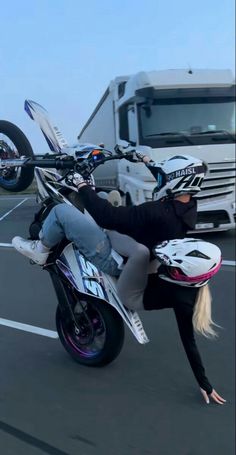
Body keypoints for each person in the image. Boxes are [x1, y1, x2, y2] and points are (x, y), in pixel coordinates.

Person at [12, 153, 207, 310]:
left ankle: (40, 249)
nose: (159, 180)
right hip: (134, 250)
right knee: (103, 196)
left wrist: (81, 185)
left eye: (163, 178)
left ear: (175, 182)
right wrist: (143, 159)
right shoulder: (187, 208)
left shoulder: (157, 212)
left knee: (61, 212)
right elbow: (164, 173)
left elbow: (108, 217)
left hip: (116, 260)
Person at [143, 237, 226, 405]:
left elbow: (189, 342)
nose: (171, 269)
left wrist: (204, 384)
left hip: (137, 294)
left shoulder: (183, 301)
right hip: (150, 279)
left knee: (138, 254)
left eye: (174, 269)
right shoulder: (192, 281)